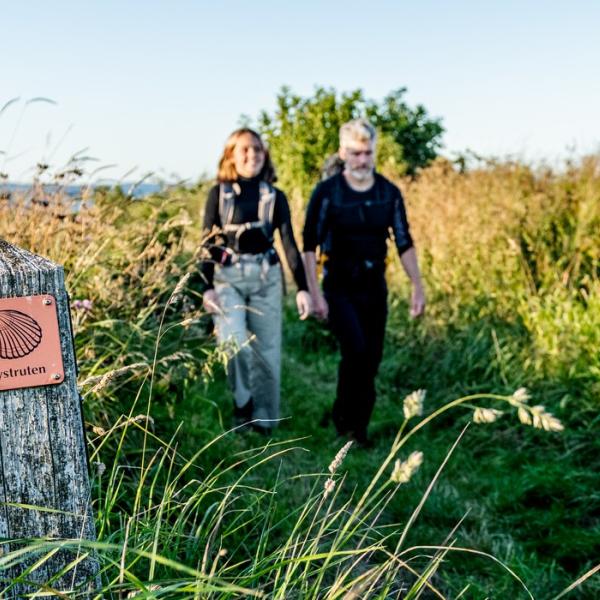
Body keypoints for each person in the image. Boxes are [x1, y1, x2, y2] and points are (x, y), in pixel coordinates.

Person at [302, 118, 425, 447]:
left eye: (367, 153)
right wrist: (314, 294)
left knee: (371, 357)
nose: (361, 160)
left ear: (374, 153)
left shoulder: (388, 192)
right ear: (343, 152)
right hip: (338, 285)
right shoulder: (327, 193)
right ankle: (345, 424)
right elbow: (308, 245)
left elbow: (403, 240)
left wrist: (417, 285)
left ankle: (360, 427)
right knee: (354, 350)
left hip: (374, 285)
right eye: (355, 153)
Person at [200, 128, 311, 434]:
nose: (253, 155)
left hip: (266, 278)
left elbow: (289, 244)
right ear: (231, 156)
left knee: (267, 351)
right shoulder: (218, 195)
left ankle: (263, 419)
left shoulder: (275, 197)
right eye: (245, 150)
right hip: (228, 278)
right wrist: (206, 286)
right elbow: (207, 243)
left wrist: (303, 288)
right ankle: (242, 403)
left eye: (258, 150)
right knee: (234, 343)